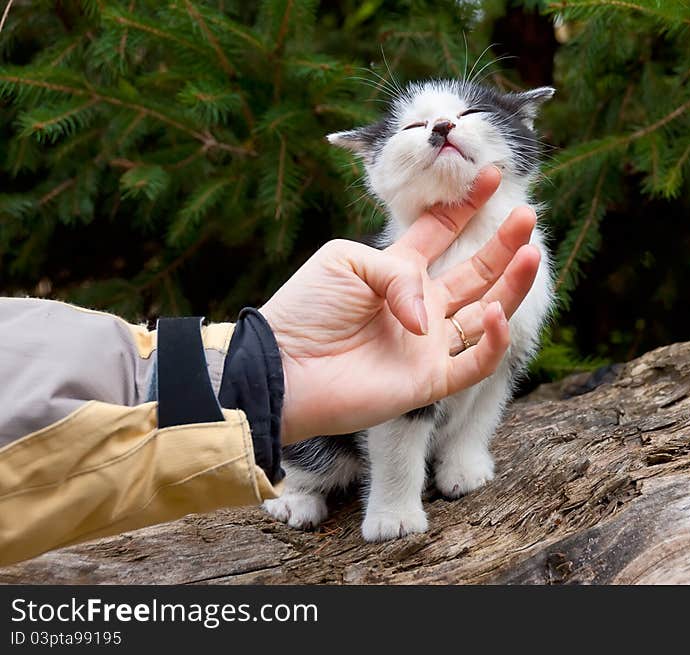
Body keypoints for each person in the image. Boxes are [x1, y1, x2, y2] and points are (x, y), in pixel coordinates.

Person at [0, 167, 541, 566]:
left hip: (144, 390)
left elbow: (502, 373)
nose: (443, 131)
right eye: (416, 124)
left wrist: (260, 370)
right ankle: (294, 482)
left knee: (488, 358)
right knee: (341, 447)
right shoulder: (397, 265)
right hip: (329, 453)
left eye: (467, 118)